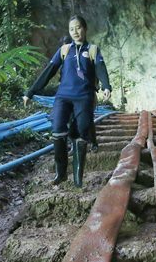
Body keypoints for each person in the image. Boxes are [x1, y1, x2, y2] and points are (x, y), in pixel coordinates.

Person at [23, 15, 111, 187]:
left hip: (84, 97)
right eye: (72, 29)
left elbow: (101, 68)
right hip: (63, 96)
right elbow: (49, 71)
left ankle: (78, 178)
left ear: (85, 28)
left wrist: (106, 86)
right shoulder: (64, 50)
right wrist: (31, 92)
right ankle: (60, 173)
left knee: (82, 132)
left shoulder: (92, 50)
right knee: (57, 129)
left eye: (78, 28)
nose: (75, 32)